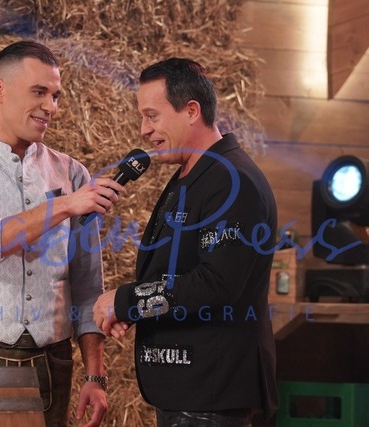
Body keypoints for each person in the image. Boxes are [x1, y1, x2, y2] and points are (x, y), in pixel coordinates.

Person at [0, 40, 123, 427]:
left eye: (56, 95)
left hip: (52, 358)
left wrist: (95, 376)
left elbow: (87, 284)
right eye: (39, 92)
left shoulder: (72, 172)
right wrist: (64, 205)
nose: (51, 106)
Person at [93, 58, 278, 426]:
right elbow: (178, 273)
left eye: (152, 116)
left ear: (192, 111)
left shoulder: (231, 181)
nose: (144, 130)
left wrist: (127, 301)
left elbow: (217, 283)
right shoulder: (195, 173)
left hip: (211, 389)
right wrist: (133, 309)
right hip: (189, 387)